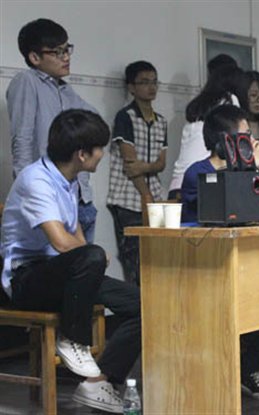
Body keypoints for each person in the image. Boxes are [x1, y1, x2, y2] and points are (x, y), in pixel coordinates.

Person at [0, 109, 141, 413]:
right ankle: (73, 340)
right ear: (81, 154)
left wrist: (91, 258)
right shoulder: (36, 180)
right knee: (91, 254)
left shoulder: (70, 179)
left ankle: (97, 383)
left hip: (64, 275)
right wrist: (92, 256)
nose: (102, 154)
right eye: (99, 148)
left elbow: (73, 232)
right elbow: (62, 242)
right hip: (26, 280)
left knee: (143, 304)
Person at [180, 105, 259, 399]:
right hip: (208, 268)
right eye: (246, 135)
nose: (253, 141)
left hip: (247, 263)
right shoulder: (198, 173)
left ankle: (247, 362)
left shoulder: (251, 168)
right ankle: (246, 359)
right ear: (226, 139)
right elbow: (227, 207)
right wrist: (247, 168)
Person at [6, 18, 99, 243]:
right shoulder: (27, 81)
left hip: (79, 198)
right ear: (34, 57)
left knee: (90, 263)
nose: (66, 57)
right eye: (57, 52)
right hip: (50, 200)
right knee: (61, 261)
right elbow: (22, 140)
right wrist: (34, 195)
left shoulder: (65, 90)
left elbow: (96, 125)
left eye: (67, 49)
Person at [106, 61, 167, 285]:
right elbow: (130, 163)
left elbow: (161, 163)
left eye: (154, 82)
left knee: (160, 253)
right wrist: (145, 194)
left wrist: (146, 167)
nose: (151, 87)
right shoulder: (125, 116)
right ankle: (137, 304)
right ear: (131, 87)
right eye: (144, 82)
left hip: (156, 196)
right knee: (134, 258)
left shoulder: (161, 121)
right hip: (129, 198)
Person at [168, 66, 244, 199]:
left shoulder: (198, 104)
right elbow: (237, 130)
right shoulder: (230, 100)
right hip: (203, 180)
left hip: (177, 182)